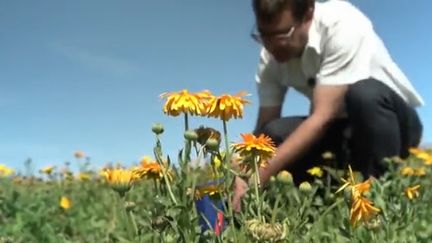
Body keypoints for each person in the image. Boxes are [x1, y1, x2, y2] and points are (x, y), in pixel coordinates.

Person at [232, 0, 424, 211]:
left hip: (393, 126)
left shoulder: (342, 24)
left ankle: (382, 201)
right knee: (273, 133)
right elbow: (265, 124)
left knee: (364, 95)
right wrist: (244, 169)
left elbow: (322, 118)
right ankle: (305, 205)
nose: (271, 45)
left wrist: (259, 177)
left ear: (308, 14)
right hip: (343, 134)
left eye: (281, 35)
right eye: (263, 34)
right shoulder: (270, 57)